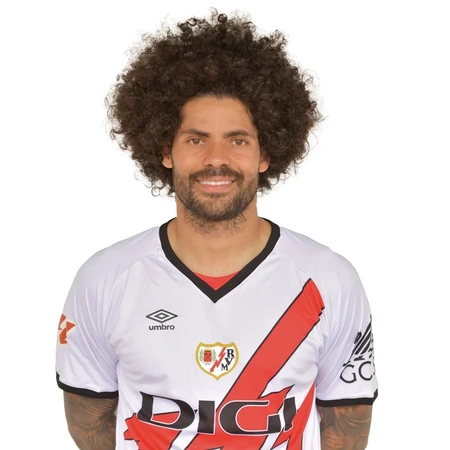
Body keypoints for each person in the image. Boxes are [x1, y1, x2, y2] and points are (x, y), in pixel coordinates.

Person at [56, 9, 378, 450]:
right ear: (164, 150)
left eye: (238, 140)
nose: (216, 158)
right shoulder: (105, 278)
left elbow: (347, 427)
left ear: (266, 154)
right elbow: (90, 424)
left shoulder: (330, 280)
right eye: (196, 139)